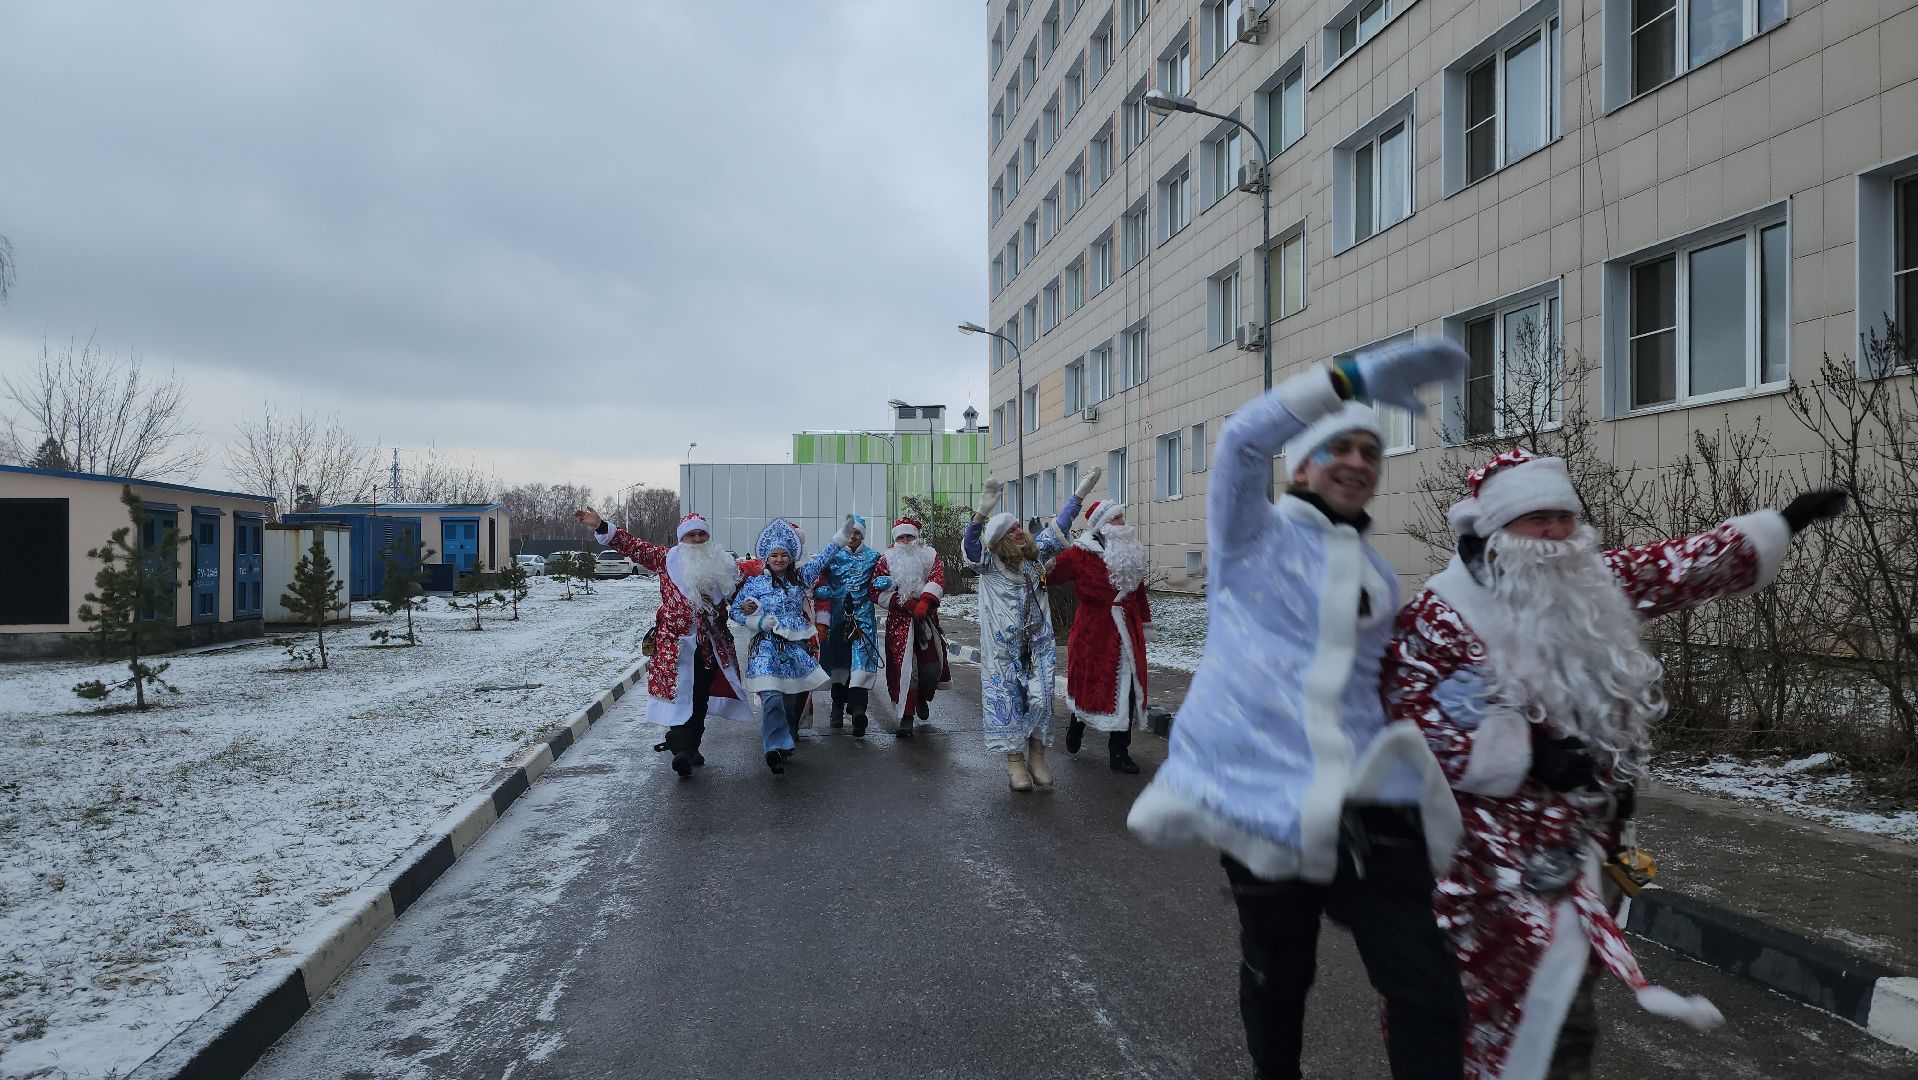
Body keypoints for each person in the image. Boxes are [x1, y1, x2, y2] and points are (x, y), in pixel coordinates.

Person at [1384, 447, 1848, 1080]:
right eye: (1533, 518)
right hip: (1483, 872)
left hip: (1583, 854)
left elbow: (1676, 568)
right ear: (1491, 529)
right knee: (1489, 1022)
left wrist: (1781, 525)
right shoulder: (1440, 618)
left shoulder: (1586, 584)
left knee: (1564, 1014)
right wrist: (1527, 754)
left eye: (1562, 516)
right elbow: (1414, 722)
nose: (1553, 532)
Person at [1126, 340, 1471, 1080]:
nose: (1357, 461)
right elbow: (1244, 439)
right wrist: (1350, 381)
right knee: (1280, 978)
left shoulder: (1376, 569)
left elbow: (1391, 681)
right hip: (1264, 795)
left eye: (1370, 451)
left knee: (1428, 988)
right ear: (1303, 465)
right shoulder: (1252, 536)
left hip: (1368, 797)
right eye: (1338, 447)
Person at [575, 508, 752, 778]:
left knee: (700, 697)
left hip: (710, 645)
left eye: (701, 534)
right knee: (678, 694)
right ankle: (681, 750)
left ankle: (691, 748)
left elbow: (743, 592)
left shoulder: (723, 566)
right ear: (682, 538)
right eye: (691, 534)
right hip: (674, 645)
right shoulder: (666, 559)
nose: (696, 539)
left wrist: (752, 605)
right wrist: (601, 525)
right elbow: (633, 546)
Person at [963, 466, 1100, 791]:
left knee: (1040, 700)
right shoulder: (989, 563)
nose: (1018, 532)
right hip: (1002, 651)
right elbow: (970, 545)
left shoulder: (1036, 560)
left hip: (1038, 646)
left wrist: (1079, 495)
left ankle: (1037, 756)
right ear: (998, 541)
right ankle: (1015, 765)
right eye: (1010, 530)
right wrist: (981, 513)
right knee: (1008, 703)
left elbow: (1060, 525)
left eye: (1018, 528)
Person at [1052, 499, 1153, 774]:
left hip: (1127, 631)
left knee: (1128, 689)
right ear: (1102, 525)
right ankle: (1077, 723)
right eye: (1117, 518)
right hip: (1094, 632)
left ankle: (1119, 751)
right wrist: (1043, 554)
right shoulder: (1080, 553)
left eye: (1122, 516)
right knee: (1092, 684)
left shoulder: (1129, 550)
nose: (1123, 522)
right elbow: (1050, 575)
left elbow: (1139, 592)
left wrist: (1144, 623)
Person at [731, 519, 839, 775]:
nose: (779, 559)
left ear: (790, 558)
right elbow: (735, 610)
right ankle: (774, 747)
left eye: (784, 555)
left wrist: (841, 537)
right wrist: (755, 619)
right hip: (764, 650)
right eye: (774, 555)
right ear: (766, 558)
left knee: (790, 700)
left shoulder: (800, 579)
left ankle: (787, 738)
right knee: (771, 697)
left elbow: (822, 559)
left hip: (793, 650)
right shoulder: (755, 583)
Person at [812, 514, 890, 736]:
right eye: (849, 533)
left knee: (860, 663)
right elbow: (816, 575)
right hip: (837, 618)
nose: (853, 537)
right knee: (839, 664)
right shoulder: (833, 556)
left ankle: (858, 712)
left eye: (857, 533)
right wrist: (821, 592)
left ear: (862, 535)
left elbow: (883, 577)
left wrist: (885, 582)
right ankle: (837, 708)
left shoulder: (874, 557)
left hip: (862, 619)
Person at [873, 517, 949, 737]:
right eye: (901, 537)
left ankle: (922, 698)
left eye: (909, 537)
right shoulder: (886, 559)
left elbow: (937, 579)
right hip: (900, 623)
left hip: (926, 619)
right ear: (895, 540)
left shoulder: (930, 555)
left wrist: (925, 602)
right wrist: (902, 602)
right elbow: (875, 589)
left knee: (930, 666)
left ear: (916, 538)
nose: (905, 541)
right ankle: (906, 717)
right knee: (905, 670)